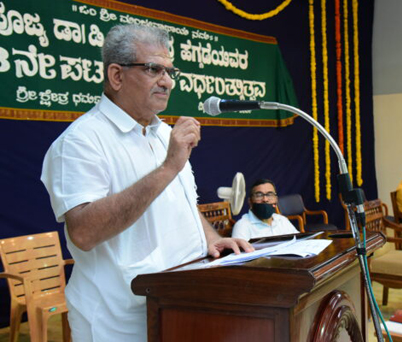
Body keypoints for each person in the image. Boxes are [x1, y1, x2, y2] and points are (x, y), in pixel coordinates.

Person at [41, 24, 253, 342]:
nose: (167, 82)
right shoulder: (80, 141)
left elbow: (183, 203)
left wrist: (210, 239)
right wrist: (168, 167)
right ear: (116, 76)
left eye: (170, 71)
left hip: (181, 307)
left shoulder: (165, 134)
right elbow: (84, 232)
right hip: (120, 322)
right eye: (154, 69)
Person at [232, 179, 300, 241]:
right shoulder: (242, 226)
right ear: (250, 201)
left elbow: (299, 241)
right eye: (259, 195)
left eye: (269, 195)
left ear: (276, 200)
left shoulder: (282, 220)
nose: (265, 199)